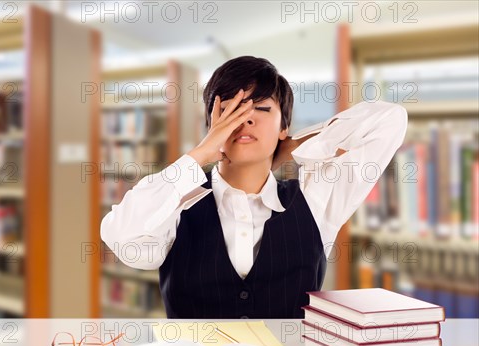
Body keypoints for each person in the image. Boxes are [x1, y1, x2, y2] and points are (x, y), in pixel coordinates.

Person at [101, 55, 408, 319]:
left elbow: (390, 120)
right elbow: (121, 237)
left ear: (283, 126)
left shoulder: (315, 200)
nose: (245, 120)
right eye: (230, 110)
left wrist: (297, 145)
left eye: (261, 109)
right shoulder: (178, 205)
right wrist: (196, 158)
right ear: (211, 126)